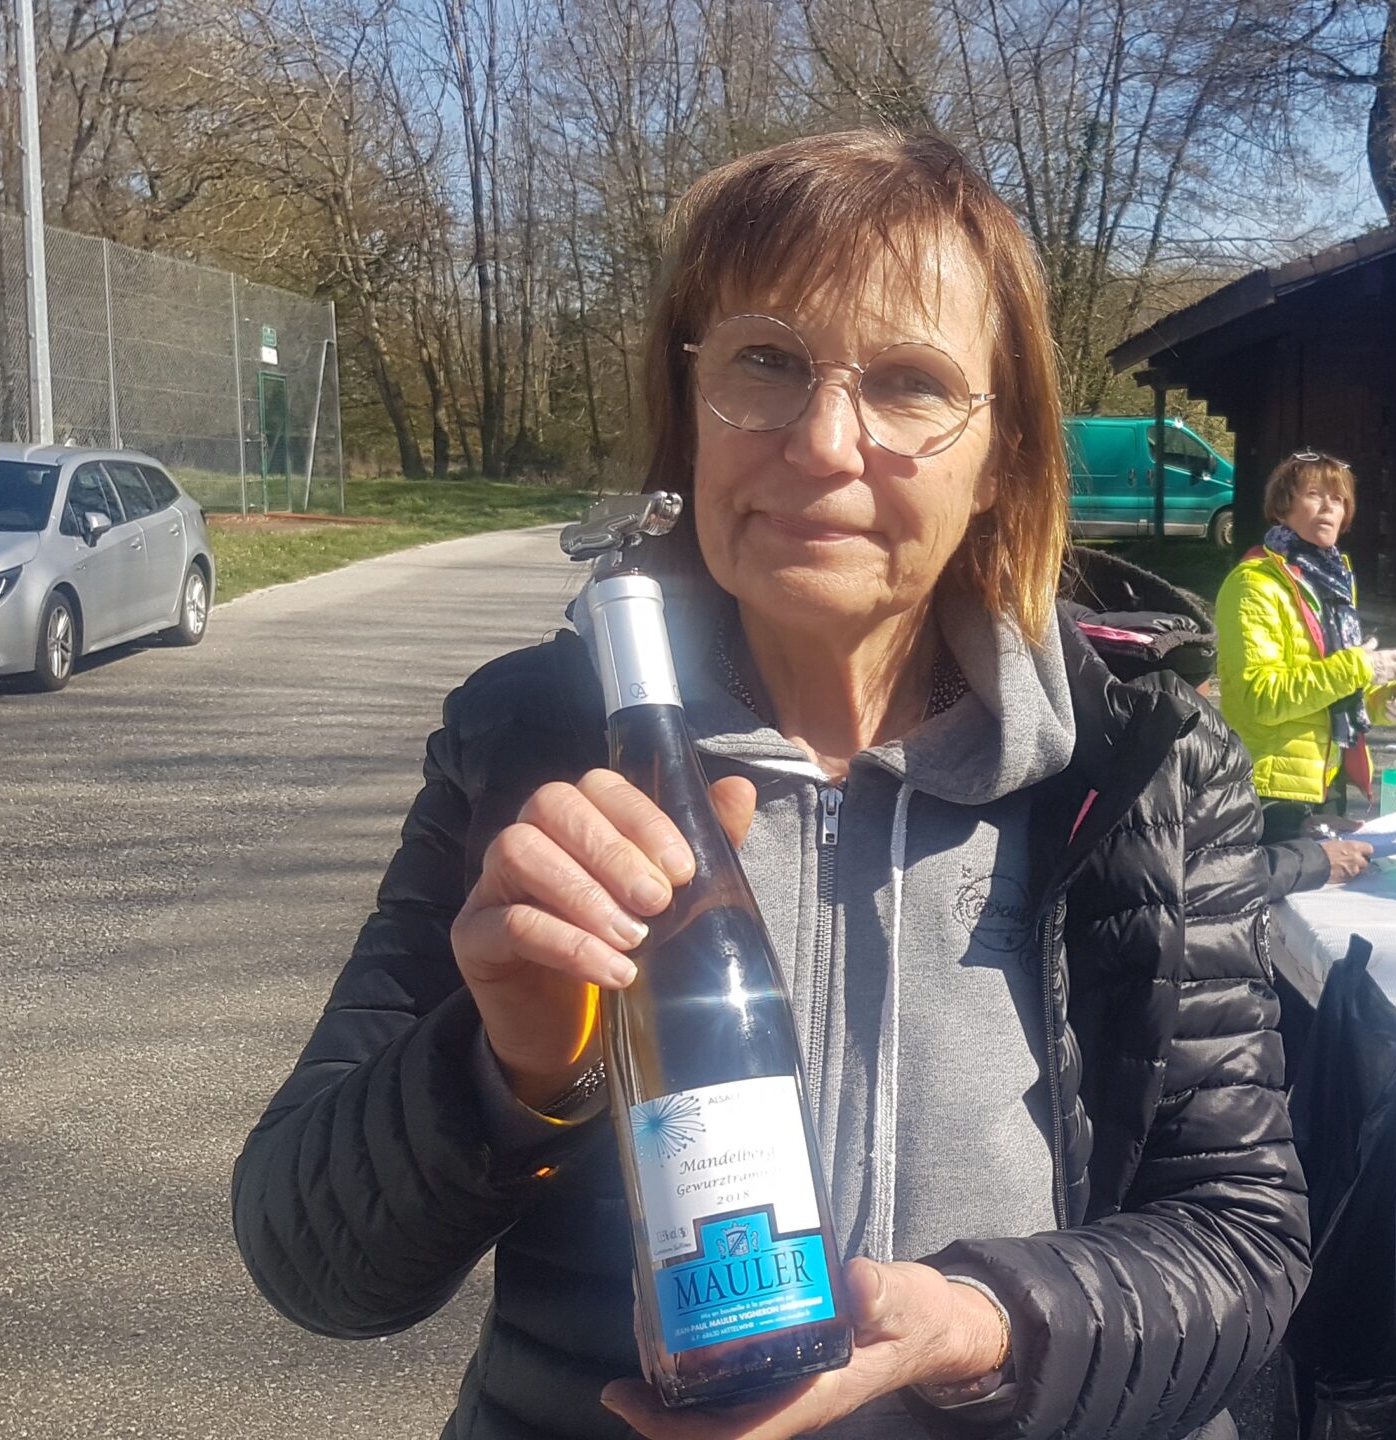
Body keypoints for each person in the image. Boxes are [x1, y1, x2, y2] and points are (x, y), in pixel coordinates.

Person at [231, 132, 1305, 1440]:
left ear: (1003, 454)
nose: (822, 441)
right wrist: (501, 1067)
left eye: (910, 383)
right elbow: (312, 1262)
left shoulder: (1143, 762)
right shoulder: (535, 743)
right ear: (690, 407)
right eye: (766, 362)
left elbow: (1244, 1242)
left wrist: (983, 1327)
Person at [1215, 450, 1396, 895]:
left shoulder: (1332, 580)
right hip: (1271, 789)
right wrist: (1360, 665)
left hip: (1326, 782)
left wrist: (1382, 704)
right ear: (1283, 506)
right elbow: (1260, 696)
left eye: (1338, 500)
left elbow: (1330, 691)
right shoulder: (1254, 584)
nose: (1329, 508)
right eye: (1315, 495)